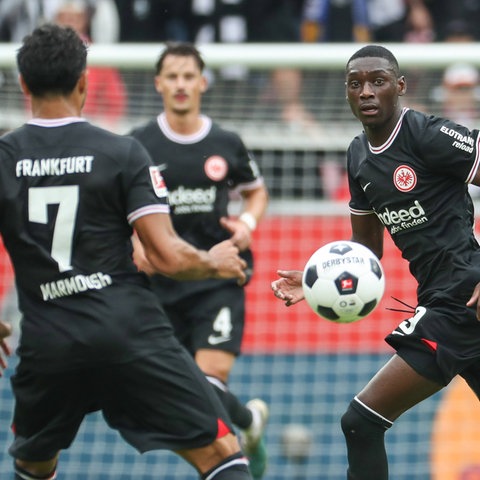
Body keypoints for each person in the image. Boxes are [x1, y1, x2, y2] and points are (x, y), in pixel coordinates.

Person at [6, 23, 254, 480]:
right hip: (129, 334)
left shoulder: (4, 159)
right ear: (84, 82)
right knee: (222, 453)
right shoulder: (122, 152)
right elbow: (168, 258)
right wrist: (212, 261)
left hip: (49, 342)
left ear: (23, 84)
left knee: (32, 464)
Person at [271, 44, 480, 479]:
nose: (366, 91)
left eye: (377, 81)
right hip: (447, 299)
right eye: (355, 84)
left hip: (461, 297)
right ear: (346, 93)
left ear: (399, 86)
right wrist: (316, 282)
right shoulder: (358, 156)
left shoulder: (424, 133)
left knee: (361, 421)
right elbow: (366, 250)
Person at [129, 42, 270, 479]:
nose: (181, 85)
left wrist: (246, 222)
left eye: (189, 76)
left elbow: (256, 191)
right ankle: (247, 424)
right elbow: (118, 208)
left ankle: (232, 459)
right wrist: (133, 241)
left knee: (207, 381)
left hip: (219, 277)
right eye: (172, 76)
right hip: (161, 283)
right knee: (176, 388)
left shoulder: (225, 143)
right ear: (158, 84)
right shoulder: (138, 144)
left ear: (203, 82)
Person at [52, 0, 127, 129]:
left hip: (92, 131)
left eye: (74, 19)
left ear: (84, 21)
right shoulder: (43, 55)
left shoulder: (100, 57)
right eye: (64, 18)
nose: (69, 24)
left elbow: (115, 103)